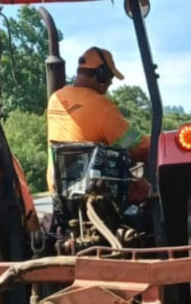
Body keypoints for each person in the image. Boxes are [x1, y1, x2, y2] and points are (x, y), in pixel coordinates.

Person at [46, 47, 150, 194]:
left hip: (58, 188)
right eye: (110, 77)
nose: (111, 83)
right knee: (144, 189)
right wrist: (156, 142)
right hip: (96, 189)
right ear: (102, 74)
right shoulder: (102, 106)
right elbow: (136, 145)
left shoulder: (55, 99)